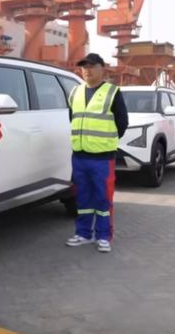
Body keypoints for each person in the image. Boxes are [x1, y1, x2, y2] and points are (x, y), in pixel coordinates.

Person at [65, 53, 129, 253]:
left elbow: (122, 122)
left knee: (103, 198)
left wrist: (105, 141)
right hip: (79, 155)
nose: (87, 70)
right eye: (84, 67)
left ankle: (103, 236)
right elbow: (72, 118)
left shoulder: (112, 92)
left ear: (102, 69)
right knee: (82, 197)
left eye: (91, 66)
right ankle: (83, 234)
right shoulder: (75, 92)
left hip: (102, 157)